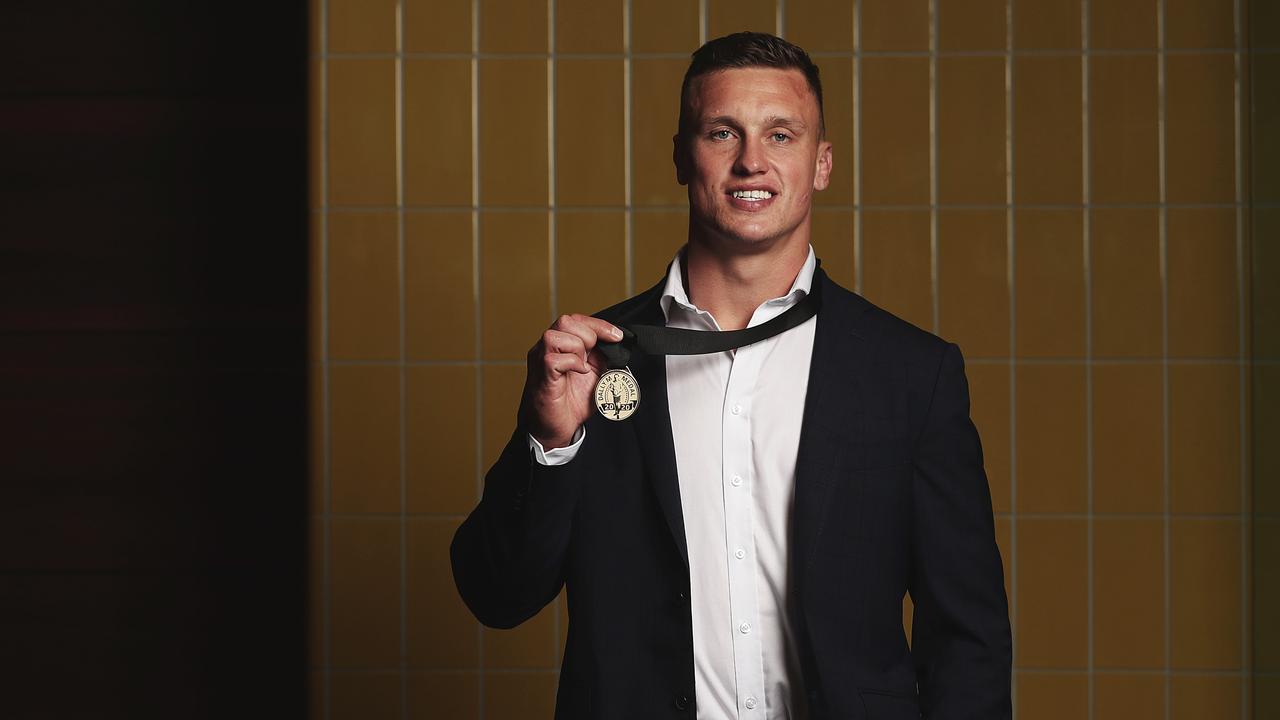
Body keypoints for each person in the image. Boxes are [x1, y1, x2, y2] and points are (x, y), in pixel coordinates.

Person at [452, 32, 1011, 719]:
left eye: (781, 135)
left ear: (822, 162)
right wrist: (550, 443)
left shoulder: (911, 374)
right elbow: (496, 594)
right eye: (723, 133)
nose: (752, 161)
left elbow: (968, 643)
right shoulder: (590, 363)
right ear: (683, 156)